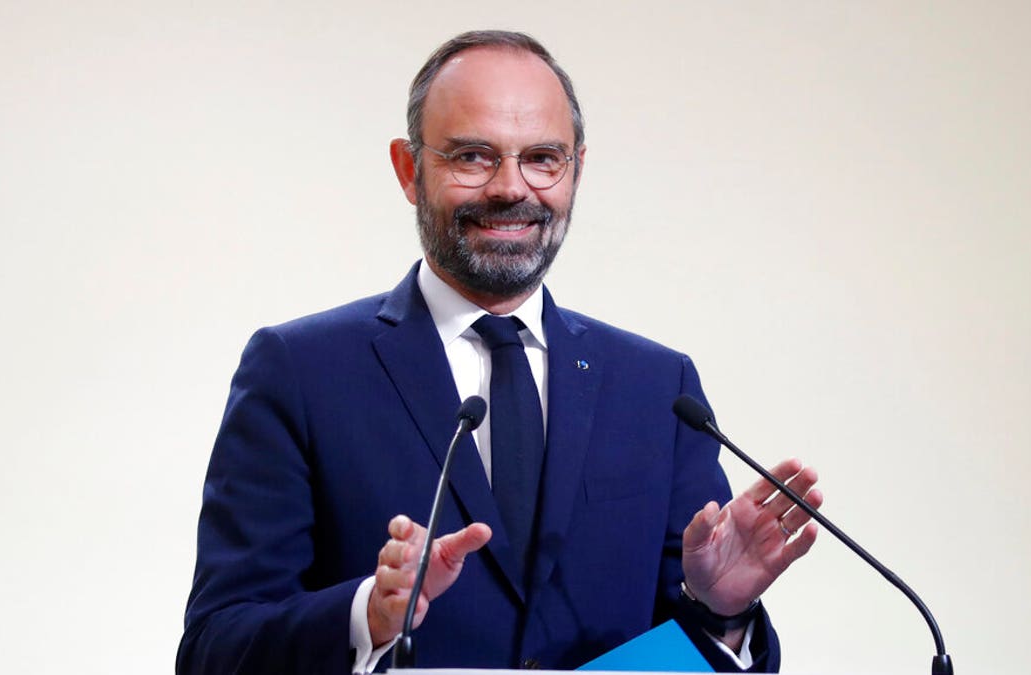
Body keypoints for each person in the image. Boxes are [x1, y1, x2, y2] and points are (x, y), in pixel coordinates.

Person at [177, 30, 822, 674]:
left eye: (542, 158)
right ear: (409, 170)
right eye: (473, 157)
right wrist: (365, 616)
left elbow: (679, 652)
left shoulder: (659, 389)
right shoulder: (300, 372)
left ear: (577, 169)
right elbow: (213, 649)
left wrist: (719, 613)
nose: (512, 188)